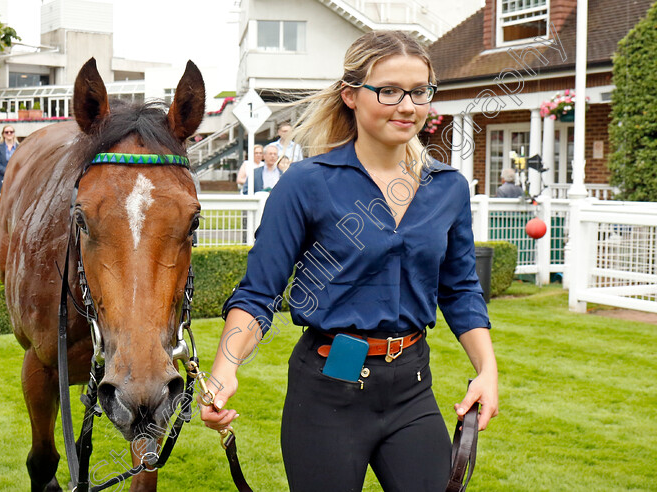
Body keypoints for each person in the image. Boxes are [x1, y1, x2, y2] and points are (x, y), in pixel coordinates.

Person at [200, 31, 498, 492]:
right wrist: (224, 370)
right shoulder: (305, 184)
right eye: (389, 91)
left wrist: (487, 370)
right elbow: (260, 292)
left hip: (412, 386)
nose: (407, 106)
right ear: (351, 96)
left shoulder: (448, 188)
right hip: (326, 390)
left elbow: (459, 289)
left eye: (419, 92)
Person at [0, 125, 18, 193]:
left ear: (14, 133)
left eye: (11, 132)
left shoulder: (19, 147)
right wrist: (7, 172)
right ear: (3, 134)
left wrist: (14, 172)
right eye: (6, 132)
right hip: (1, 178)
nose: (9, 133)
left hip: (16, 178)